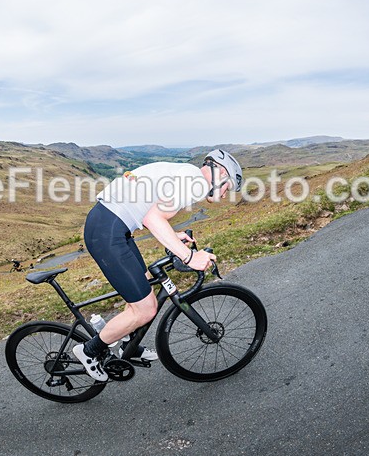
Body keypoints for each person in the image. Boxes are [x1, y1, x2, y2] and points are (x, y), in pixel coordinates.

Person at [72, 149, 243, 381]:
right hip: (108, 230)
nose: (224, 194)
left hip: (111, 225)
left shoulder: (188, 174)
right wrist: (190, 257)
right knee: (147, 309)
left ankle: (126, 346)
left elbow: (153, 210)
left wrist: (173, 235)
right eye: (227, 187)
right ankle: (88, 351)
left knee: (143, 293)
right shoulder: (196, 182)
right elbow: (152, 219)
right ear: (220, 173)